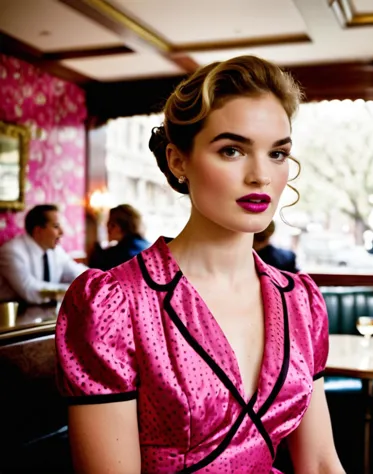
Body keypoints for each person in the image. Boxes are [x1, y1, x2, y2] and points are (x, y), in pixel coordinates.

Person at [55, 56, 345, 474]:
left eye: (277, 153)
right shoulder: (115, 305)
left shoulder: (300, 302)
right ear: (178, 161)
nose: (261, 175)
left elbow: (319, 463)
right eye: (232, 150)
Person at [0, 204, 87, 304]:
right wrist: (75, 289)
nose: (62, 232)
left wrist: (97, 279)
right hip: (12, 315)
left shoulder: (56, 251)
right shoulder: (11, 252)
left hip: (45, 313)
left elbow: (77, 272)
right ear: (38, 230)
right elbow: (30, 290)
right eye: (56, 226)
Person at [88, 204, 150, 271]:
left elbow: (97, 276)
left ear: (115, 226)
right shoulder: (147, 245)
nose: (107, 229)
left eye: (108, 224)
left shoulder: (117, 254)